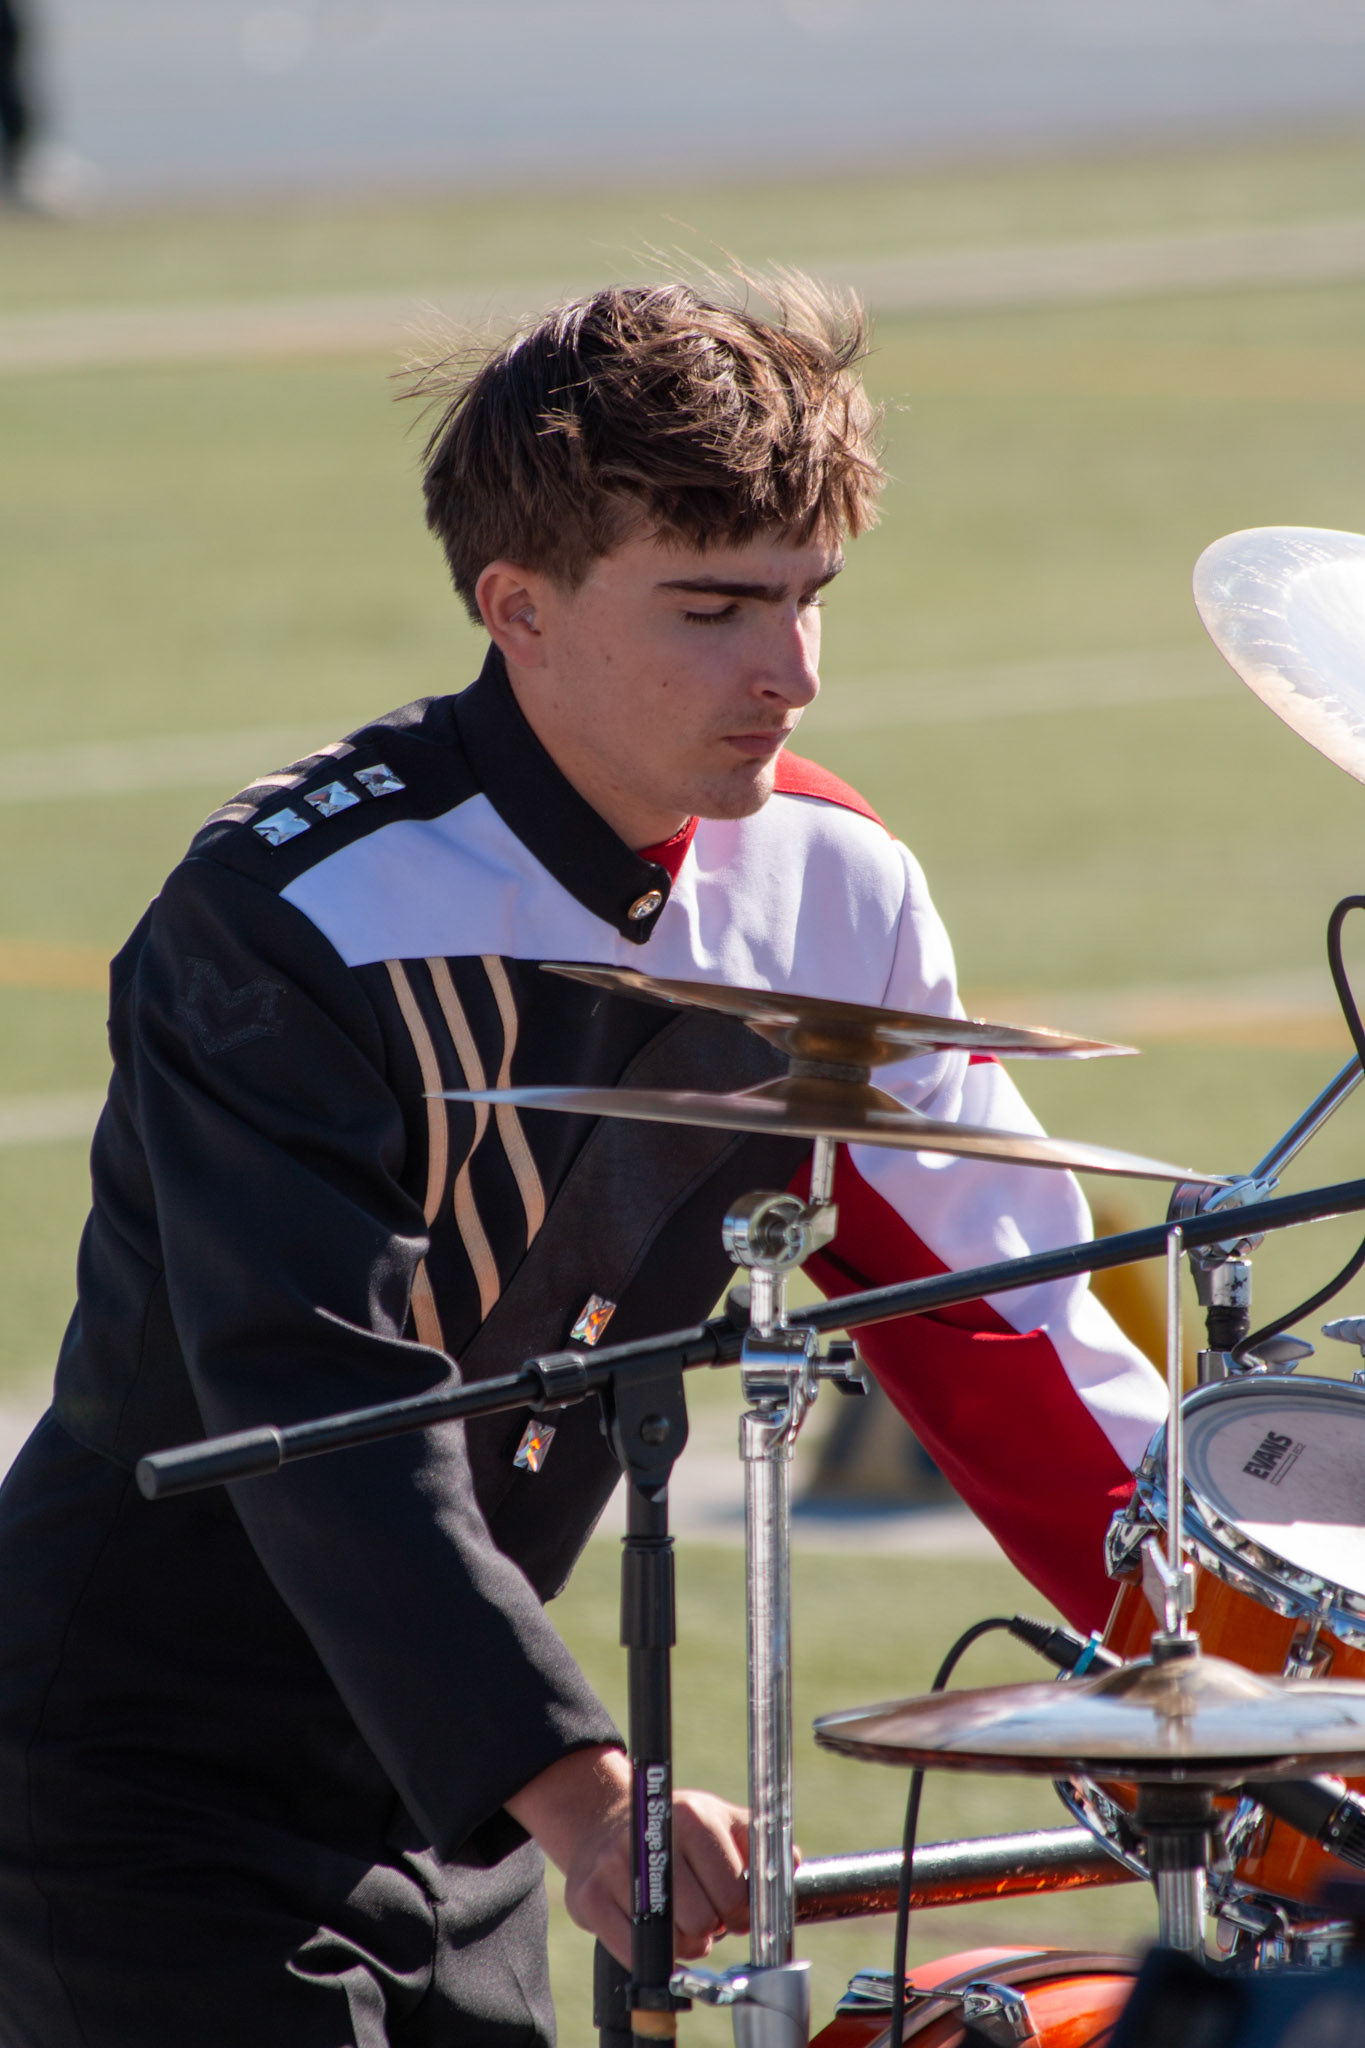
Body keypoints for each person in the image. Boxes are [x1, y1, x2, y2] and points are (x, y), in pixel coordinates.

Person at [0, 277, 1165, 2046]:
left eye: (806, 597)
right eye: (712, 607)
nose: (788, 672)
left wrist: (1256, 1658)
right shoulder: (294, 915)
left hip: (456, 1803)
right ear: (517, 607)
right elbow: (318, 1400)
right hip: (133, 1781)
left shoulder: (830, 886)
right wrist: (578, 1787)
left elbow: (1003, 1315)